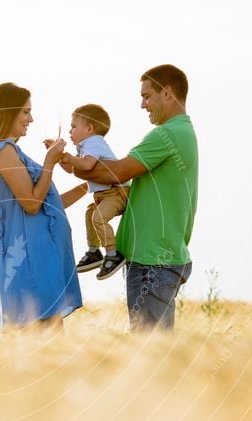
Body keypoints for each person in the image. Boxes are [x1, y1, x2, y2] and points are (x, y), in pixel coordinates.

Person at [73, 65, 198, 331]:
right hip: (156, 257)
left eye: (146, 96)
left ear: (167, 93)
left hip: (153, 260)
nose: (142, 104)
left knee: (149, 353)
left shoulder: (167, 134)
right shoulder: (181, 131)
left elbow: (116, 173)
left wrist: (69, 162)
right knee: (152, 352)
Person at [0, 82, 83, 328]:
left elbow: (48, 206)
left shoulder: (12, 152)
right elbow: (32, 204)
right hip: (27, 261)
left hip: (38, 259)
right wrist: (49, 162)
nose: (31, 119)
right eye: (25, 112)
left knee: (49, 344)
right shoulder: (3, 151)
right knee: (43, 342)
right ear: (6, 112)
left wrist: (88, 188)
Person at [47, 104, 130, 280]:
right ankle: (94, 252)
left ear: (90, 128)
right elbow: (72, 169)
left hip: (116, 192)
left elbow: (87, 165)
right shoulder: (86, 145)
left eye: (73, 126)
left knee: (98, 218)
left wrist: (69, 157)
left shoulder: (94, 142)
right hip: (105, 194)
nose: (70, 131)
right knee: (90, 213)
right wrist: (61, 157)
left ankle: (113, 254)